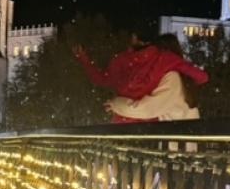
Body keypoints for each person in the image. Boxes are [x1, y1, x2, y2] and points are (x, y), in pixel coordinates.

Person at [74, 33, 208, 123]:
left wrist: (116, 104)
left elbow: (147, 108)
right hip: (182, 140)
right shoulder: (180, 75)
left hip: (177, 145)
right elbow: (202, 77)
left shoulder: (172, 77)